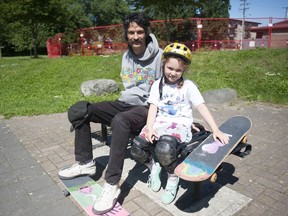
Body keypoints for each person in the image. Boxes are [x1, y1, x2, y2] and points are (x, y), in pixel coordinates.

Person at [58, 12, 163, 214]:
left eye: (140, 32)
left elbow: (162, 91)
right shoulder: (126, 56)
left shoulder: (160, 56)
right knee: (81, 110)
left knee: (120, 121)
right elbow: (129, 88)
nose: (135, 36)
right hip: (125, 102)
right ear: (126, 33)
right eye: (131, 32)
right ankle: (85, 163)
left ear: (147, 32)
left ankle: (112, 184)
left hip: (146, 107)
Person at [131, 42, 229, 205]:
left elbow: (201, 107)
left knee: (164, 148)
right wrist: (149, 128)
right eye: (170, 68)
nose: (173, 73)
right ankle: (153, 166)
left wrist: (216, 130)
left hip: (180, 125)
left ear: (184, 70)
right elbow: (153, 108)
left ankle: (172, 177)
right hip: (159, 122)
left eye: (178, 70)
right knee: (136, 147)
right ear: (163, 65)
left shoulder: (188, 86)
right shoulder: (158, 84)